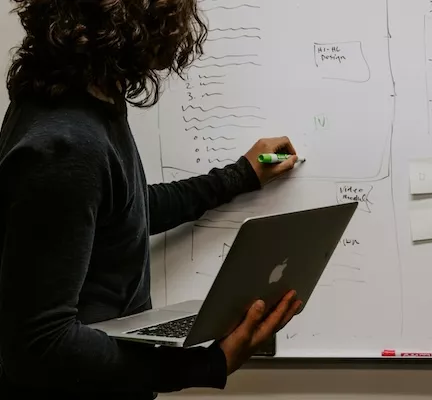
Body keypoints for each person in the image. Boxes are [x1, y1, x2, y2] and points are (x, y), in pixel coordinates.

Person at [0, 0, 303, 398]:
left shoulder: (82, 103)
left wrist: (240, 175)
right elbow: (39, 345)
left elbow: (125, 212)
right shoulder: (67, 143)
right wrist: (209, 364)